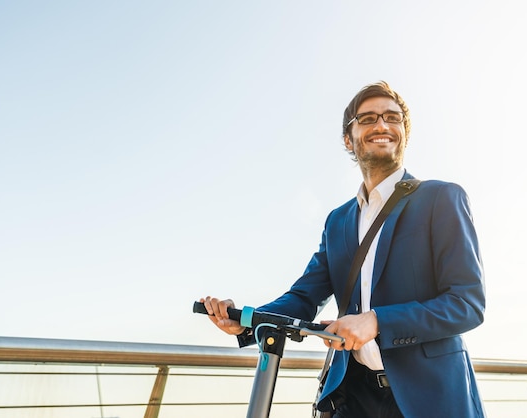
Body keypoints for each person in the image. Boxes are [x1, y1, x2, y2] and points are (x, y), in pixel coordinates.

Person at [200, 81, 486, 418]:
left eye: (392, 118)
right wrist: (247, 319)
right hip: (351, 398)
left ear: (403, 134)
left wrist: (377, 321)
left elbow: (467, 303)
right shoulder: (338, 221)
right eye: (367, 119)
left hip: (430, 399)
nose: (381, 125)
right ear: (348, 139)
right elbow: (304, 297)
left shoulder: (442, 198)